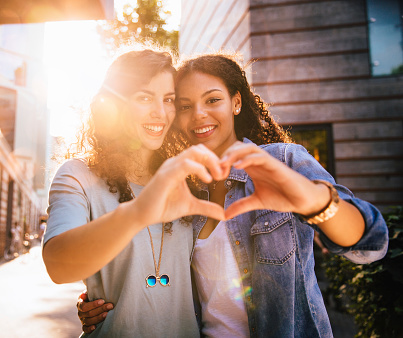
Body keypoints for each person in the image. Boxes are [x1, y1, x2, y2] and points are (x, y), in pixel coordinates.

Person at [77, 52, 389, 337]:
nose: (199, 114)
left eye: (212, 100)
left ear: (236, 102)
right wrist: (101, 304)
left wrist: (314, 201)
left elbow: (370, 245)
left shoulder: (281, 161)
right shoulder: (183, 190)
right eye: (185, 105)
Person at [42, 47, 227, 337]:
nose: (161, 112)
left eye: (168, 99)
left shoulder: (190, 179)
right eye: (144, 97)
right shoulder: (77, 175)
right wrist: (138, 212)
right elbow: (57, 266)